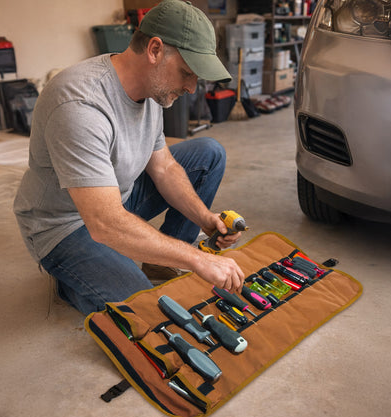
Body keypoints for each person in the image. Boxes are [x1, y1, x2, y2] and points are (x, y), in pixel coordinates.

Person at [13, 0, 245, 315]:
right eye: (187, 73)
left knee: (209, 153)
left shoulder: (152, 89)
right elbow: (105, 222)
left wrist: (205, 221)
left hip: (115, 196)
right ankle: (73, 278)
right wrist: (197, 259)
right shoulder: (79, 104)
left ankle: (157, 260)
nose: (191, 88)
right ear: (155, 50)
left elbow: (164, 167)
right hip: (67, 224)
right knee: (143, 308)